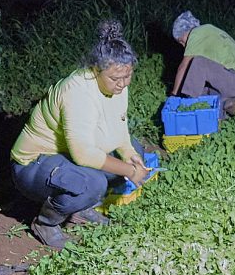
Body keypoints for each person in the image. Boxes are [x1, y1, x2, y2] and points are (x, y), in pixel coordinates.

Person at [10, 19, 151, 250]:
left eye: (128, 76)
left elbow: (120, 131)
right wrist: (129, 171)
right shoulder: (77, 90)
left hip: (67, 155)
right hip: (34, 164)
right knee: (92, 183)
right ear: (96, 70)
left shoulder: (118, 85)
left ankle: (81, 209)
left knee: (136, 148)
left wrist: (130, 156)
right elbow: (84, 155)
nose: (123, 84)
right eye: (116, 79)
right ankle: (46, 223)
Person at [170, 10, 235, 116]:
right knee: (203, 92)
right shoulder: (210, 33)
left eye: (181, 40)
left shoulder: (196, 33)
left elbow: (183, 66)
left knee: (199, 63)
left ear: (187, 30)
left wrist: (174, 95)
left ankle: (188, 108)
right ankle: (232, 101)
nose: (182, 45)